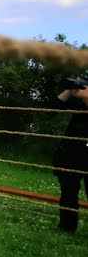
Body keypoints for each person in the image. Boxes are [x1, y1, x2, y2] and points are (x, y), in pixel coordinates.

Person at [52, 77, 88, 233]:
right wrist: (69, 89)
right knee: (68, 192)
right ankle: (66, 227)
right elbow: (53, 109)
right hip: (71, 152)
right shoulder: (78, 103)